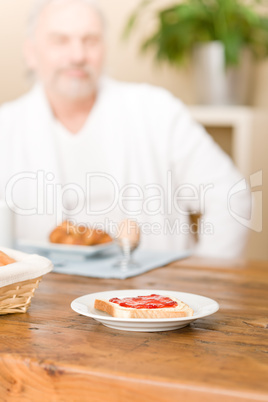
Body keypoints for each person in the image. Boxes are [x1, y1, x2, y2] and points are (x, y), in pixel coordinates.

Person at [0, 0, 250, 258]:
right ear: (31, 53)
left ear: (105, 50)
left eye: (91, 40)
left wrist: (203, 277)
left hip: (153, 291)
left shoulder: (156, 109)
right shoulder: (5, 127)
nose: (77, 55)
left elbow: (231, 196)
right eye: (60, 41)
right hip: (41, 295)